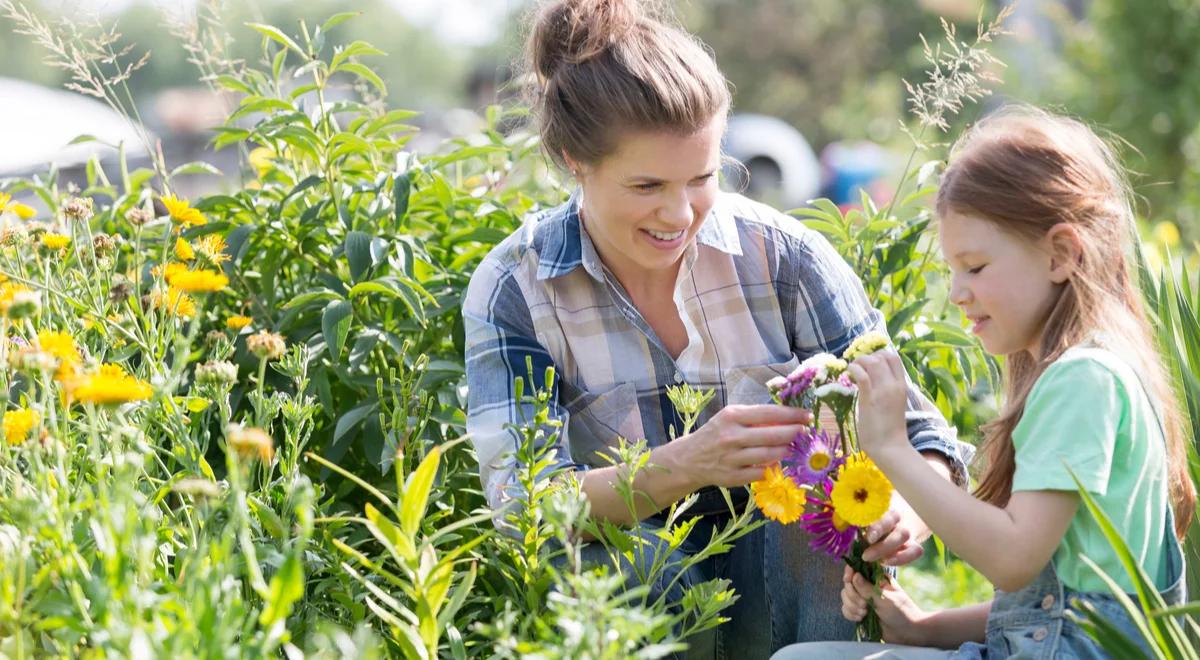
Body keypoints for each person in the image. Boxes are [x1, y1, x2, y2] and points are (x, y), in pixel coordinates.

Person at [463, 0, 969, 655]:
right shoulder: (518, 286)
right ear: (573, 161)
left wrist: (906, 509)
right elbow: (526, 506)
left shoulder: (784, 257)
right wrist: (686, 465)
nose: (678, 213)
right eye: (647, 185)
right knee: (643, 565)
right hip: (635, 583)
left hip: (789, 589)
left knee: (828, 517)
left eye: (701, 178)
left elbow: (921, 436)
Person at [773, 107, 1196, 660]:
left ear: (1061, 254)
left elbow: (1013, 557)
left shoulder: (1082, 381)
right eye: (953, 270)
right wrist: (925, 627)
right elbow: (1061, 606)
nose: (956, 293)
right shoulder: (1098, 372)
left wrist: (892, 449)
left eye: (974, 267)